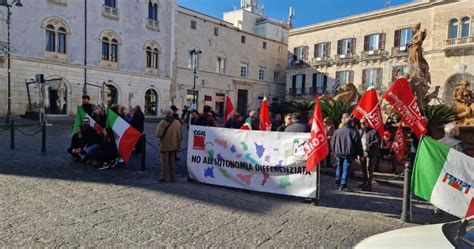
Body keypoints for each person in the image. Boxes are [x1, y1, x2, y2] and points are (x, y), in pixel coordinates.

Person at [331, 117, 363, 192]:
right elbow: (358, 144)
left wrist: (334, 150)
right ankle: (343, 185)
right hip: (348, 153)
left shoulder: (337, 131)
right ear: (352, 123)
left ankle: (337, 183)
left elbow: (332, 142)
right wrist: (360, 154)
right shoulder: (354, 132)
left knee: (339, 167)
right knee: (346, 169)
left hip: (339, 152)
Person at [155, 109, 182, 183]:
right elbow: (180, 135)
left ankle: (164, 177)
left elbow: (158, 134)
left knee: (164, 162)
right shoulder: (177, 122)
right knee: (172, 161)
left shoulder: (163, 122)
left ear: (166, 114)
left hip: (165, 144)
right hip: (175, 144)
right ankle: (173, 177)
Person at [358, 118, 380, 191]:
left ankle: (369, 185)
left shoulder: (373, 131)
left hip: (370, 153)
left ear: (367, 122)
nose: (362, 124)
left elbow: (378, 140)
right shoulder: (360, 131)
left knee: (369, 169)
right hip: (362, 153)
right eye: (361, 123)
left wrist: (371, 144)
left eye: (364, 123)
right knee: (363, 169)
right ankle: (364, 183)